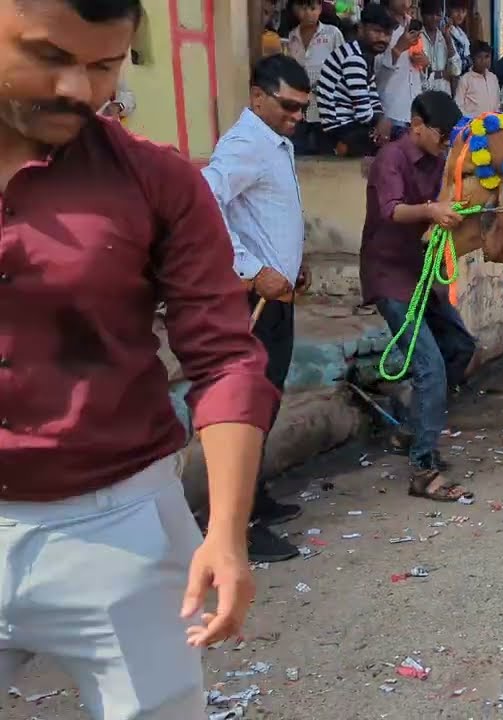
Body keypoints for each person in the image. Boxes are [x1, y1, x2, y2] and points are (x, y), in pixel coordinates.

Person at [0, 0, 274, 715]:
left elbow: (223, 360)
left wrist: (225, 531)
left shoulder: (158, 182)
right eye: (50, 57)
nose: (77, 91)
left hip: (116, 528)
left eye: (103, 65)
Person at [202, 55, 314, 563]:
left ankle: (256, 499)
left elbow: (270, 213)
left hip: (278, 294)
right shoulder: (246, 142)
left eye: (302, 109)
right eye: (288, 106)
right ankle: (234, 526)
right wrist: (249, 268)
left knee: (265, 404)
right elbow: (205, 203)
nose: (296, 117)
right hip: (254, 299)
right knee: (246, 411)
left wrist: (294, 261)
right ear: (258, 97)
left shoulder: (276, 143)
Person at [361, 91, 478, 502]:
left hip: (422, 273)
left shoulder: (443, 161)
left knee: (461, 347)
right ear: (416, 127)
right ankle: (423, 469)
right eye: (442, 135)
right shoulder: (390, 160)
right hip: (391, 275)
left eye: (451, 137)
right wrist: (431, 210)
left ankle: (410, 430)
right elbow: (392, 210)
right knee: (429, 367)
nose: (447, 142)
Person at [315, 3, 396, 156]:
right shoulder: (354, 58)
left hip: (350, 124)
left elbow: (372, 97)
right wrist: (381, 123)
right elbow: (363, 113)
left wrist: (381, 120)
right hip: (339, 127)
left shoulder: (363, 56)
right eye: (376, 31)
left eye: (387, 34)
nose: (382, 39)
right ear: (360, 29)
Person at [286, 0, 345, 154]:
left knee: (326, 154)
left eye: (313, 8)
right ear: (295, 9)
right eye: (303, 8)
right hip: (300, 107)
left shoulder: (332, 34)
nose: (308, 13)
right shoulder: (292, 37)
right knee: (299, 152)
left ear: (320, 9)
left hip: (327, 107)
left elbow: (344, 66)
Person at [375, 2, 426, 139]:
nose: (406, 2)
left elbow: (420, 71)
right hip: (391, 111)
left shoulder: (414, 24)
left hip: (415, 111)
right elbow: (375, 77)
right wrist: (398, 49)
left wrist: (424, 62)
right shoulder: (378, 27)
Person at [416, 3, 460, 94]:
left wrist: (448, 39)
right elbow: (417, 73)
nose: (434, 18)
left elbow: (456, 70)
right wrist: (440, 74)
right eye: (430, 14)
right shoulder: (416, 37)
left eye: (438, 15)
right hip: (422, 96)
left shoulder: (444, 37)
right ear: (422, 15)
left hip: (444, 94)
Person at [454, 40, 500, 116]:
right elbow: (458, 105)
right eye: (479, 57)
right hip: (474, 124)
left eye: (487, 57)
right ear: (472, 59)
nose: (483, 61)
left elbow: (497, 101)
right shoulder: (465, 80)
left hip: (492, 122)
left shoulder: (493, 78)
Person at [444, 0, 471, 77]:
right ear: (449, 10)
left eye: (463, 11)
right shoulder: (445, 30)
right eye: (456, 11)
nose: (460, 15)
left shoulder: (461, 33)